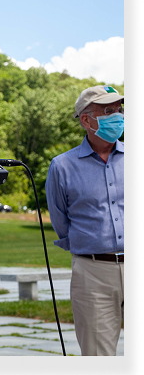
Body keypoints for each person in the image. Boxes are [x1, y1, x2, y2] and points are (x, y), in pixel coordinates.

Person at [45, 85, 124, 356]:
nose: (118, 116)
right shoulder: (62, 166)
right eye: (108, 111)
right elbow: (60, 220)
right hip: (93, 272)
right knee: (97, 353)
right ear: (86, 120)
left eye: (119, 110)